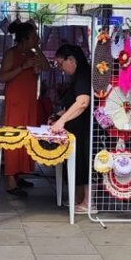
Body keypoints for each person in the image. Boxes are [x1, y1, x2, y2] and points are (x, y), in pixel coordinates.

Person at [0, 21, 50, 197]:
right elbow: (3, 77)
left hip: (29, 102)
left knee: (26, 137)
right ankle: (10, 180)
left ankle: (19, 174)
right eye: (34, 36)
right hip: (15, 102)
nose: (37, 39)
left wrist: (38, 49)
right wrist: (23, 67)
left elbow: (46, 67)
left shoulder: (33, 53)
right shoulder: (11, 54)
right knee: (13, 138)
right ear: (25, 38)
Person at [52, 44, 92, 213]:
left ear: (71, 60)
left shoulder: (83, 74)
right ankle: (79, 198)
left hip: (86, 127)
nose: (60, 68)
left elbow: (82, 102)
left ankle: (88, 201)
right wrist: (57, 117)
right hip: (77, 127)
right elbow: (71, 103)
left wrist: (62, 121)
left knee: (86, 161)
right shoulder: (77, 75)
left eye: (60, 64)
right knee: (78, 162)